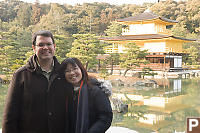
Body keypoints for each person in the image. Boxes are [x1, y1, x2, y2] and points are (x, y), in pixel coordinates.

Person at [2, 30, 69, 133]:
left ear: (54, 46)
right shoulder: (21, 75)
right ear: (34, 48)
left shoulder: (64, 74)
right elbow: (10, 114)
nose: (45, 48)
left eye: (48, 44)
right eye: (40, 45)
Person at [59, 57, 113, 133]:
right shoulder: (66, 92)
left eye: (75, 69)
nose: (72, 73)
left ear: (81, 69)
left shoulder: (95, 91)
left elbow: (106, 117)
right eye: (67, 71)